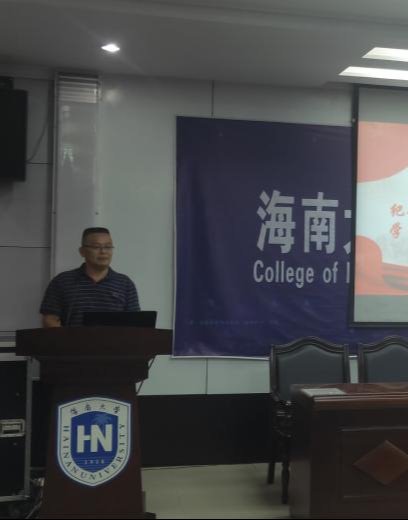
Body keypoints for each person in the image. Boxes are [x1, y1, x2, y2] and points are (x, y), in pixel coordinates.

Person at [40, 227, 140, 327]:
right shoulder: (62, 281)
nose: (103, 251)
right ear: (82, 251)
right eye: (96, 247)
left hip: (114, 338)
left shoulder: (125, 284)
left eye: (108, 247)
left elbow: (135, 323)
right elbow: (50, 320)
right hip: (73, 337)